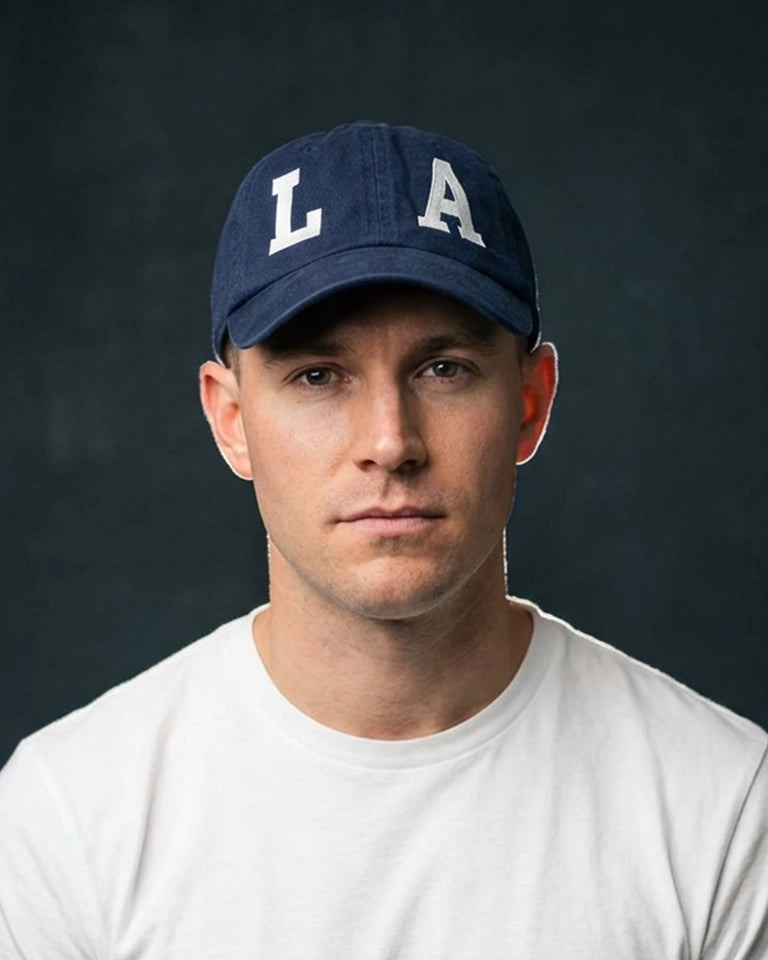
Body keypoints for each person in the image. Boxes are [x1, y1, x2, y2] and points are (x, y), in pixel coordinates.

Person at [0, 122, 765, 959]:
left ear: (530, 400)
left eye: (444, 369)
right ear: (232, 419)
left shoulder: (720, 807)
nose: (390, 441)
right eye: (318, 376)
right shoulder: (68, 815)